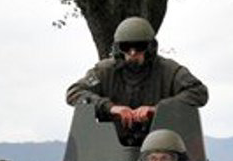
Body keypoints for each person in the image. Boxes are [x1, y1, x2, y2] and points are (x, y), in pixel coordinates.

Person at [66, 17, 208, 144]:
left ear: (150, 47)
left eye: (139, 46)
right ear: (118, 48)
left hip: (161, 149)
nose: (133, 53)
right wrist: (110, 107)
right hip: (110, 149)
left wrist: (158, 109)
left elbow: (198, 92)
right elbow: (74, 93)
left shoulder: (169, 71)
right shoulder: (104, 71)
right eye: (126, 47)